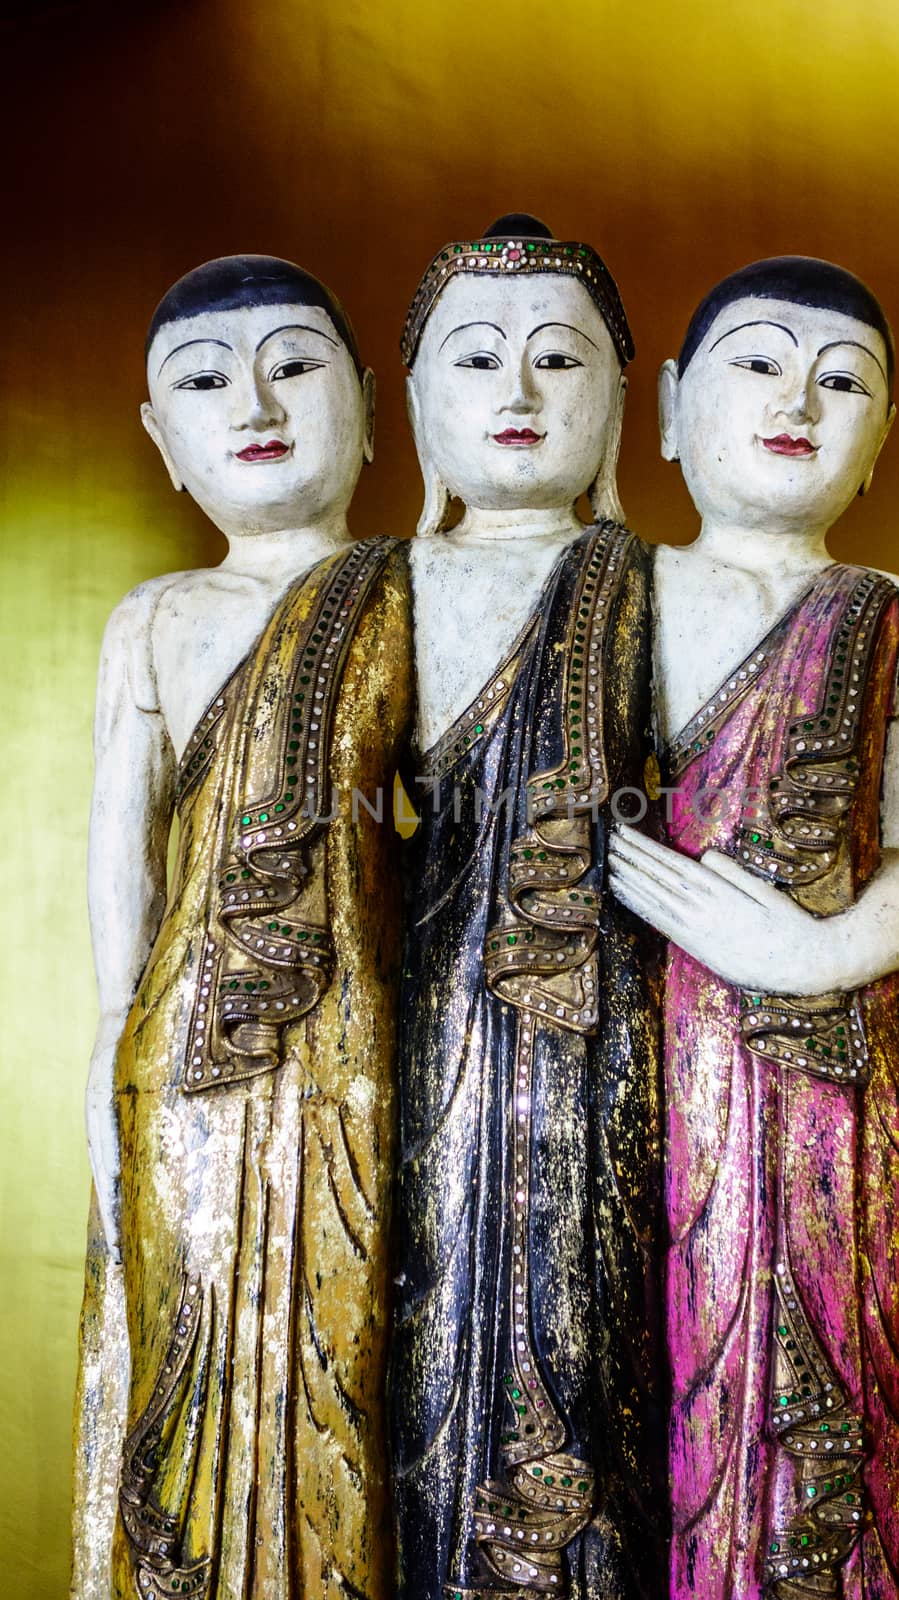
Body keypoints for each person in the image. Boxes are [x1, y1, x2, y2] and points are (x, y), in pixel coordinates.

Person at [610, 258, 899, 1600]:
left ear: (879, 441)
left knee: (842, 1387)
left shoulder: (891, 612)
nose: (799, 402)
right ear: (666, 411)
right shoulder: (615, 596)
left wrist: (807, 954)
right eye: (758, 363)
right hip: (651, 1062)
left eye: (844, 380)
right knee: (653, 1375)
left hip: (839, 1074)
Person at [72, 255, 412, 1600]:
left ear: (376, 407)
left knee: (358, 1357)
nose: (255, 402)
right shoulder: (156, 618)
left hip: (363, 1037)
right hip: (185, 1046)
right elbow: (122, 845)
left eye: (295, 364)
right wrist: (109, 1031)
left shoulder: (416, 587)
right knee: (192, 1345)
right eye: (206, 382)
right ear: (161, 438)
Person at [391, 215, 668, 1600]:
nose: (517, 393)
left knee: (603, 1337)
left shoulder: (660, 587)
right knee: (432, 1332)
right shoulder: (375, 589)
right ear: (416, 406)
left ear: (626, 400)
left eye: (561, 359)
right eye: (477, 359)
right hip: (421, 1033)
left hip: (622, 1037)